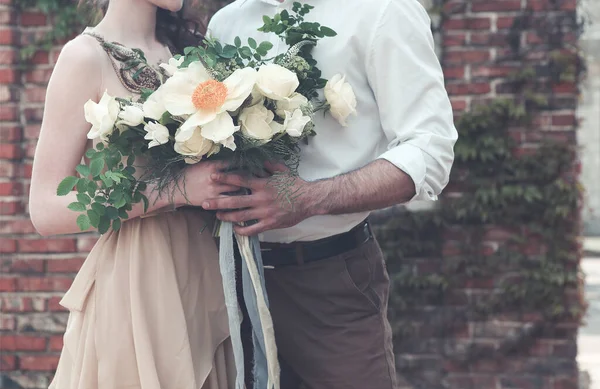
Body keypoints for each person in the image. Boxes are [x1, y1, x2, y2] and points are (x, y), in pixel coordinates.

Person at [204, 0, 458, 388]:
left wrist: (308, 198)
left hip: (331, 282)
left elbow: (430, 150)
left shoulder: (384, 10)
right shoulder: (226, 21)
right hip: (233, 282)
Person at [28, 0, 239, 388]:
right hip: (140, 282)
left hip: (208, 275)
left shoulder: (190, 52)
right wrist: (175, 190)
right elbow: (44, 209)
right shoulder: (84, 57)